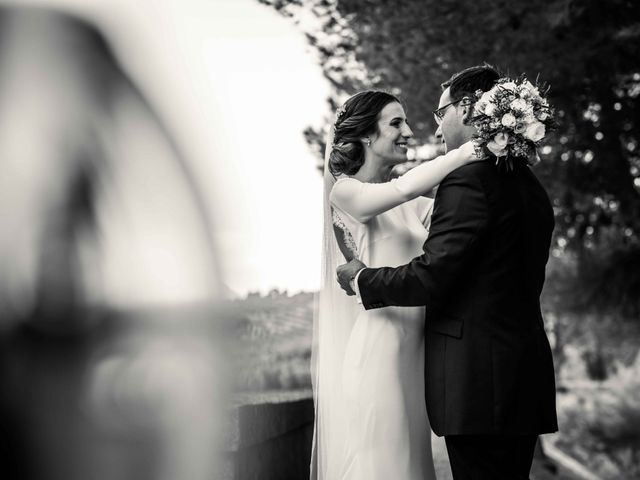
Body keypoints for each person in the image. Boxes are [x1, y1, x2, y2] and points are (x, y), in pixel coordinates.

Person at [336, 65, 558, 479]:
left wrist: (363, 279)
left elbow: (432, 274)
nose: (435, 131)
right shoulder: (530, 185)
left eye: (441, 114)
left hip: (478, 382)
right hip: (519, 376)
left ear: (470, 108)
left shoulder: (469, 181)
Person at [312, 89, 483, 480]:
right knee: (385, 466)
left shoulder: (414, 207)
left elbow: (458, 225)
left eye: (405, 121)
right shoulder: (345, 193)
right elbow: (401, 188)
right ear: (367, 136)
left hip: (417, 358)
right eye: (396, 123)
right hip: (380, 355)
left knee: (413, 466)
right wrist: (472, 148)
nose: (409, 130)